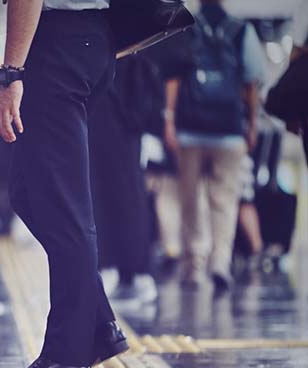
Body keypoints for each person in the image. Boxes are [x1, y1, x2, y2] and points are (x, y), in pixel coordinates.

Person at [0, 0, 129, 368]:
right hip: (91, 42)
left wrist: (11, 74)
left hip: (57, 47)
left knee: (63, 206)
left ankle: (68, 355)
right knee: (29, 194)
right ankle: (98, 325)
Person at [163, 0, 266, 292]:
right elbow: (251, 82)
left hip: (189, 130)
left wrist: (169, 119)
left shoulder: (187, 28)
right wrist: (252, 125)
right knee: (225, 201)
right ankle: (220, 262)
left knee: (190, 199)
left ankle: (194, 266)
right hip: (229, 131)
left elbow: (174, 77)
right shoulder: (241, 31)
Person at [89, 54, 159, 307]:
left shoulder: (94, 40)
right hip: (127, 127)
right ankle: (134, 270)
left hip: (106, 123)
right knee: (129, 197)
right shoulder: (131, 40)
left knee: (105, 198)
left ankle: (119, 268)